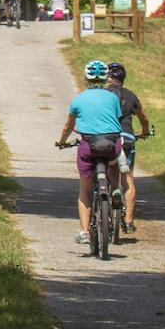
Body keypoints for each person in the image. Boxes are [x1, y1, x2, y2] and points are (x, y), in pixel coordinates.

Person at [56, 59, 123, 251]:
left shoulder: (78, 99)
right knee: (114, 164)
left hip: (88, 146)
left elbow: (68, 126)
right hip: (111, 144)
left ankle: (84, 231)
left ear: (86, 78)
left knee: (85, 189)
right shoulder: (112, 98)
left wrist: (62, 141)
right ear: (105, 78)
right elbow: (115, 119)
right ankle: (116, 190)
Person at [106, 61, 153, 236]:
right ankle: (128, 221)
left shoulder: (102, 95)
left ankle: (110, 191)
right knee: (128, 179)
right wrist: (145, 132)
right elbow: (143, 117)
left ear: (107, 77)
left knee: (108, 168)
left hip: (108, 137)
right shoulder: (131, 96)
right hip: (127, 139)